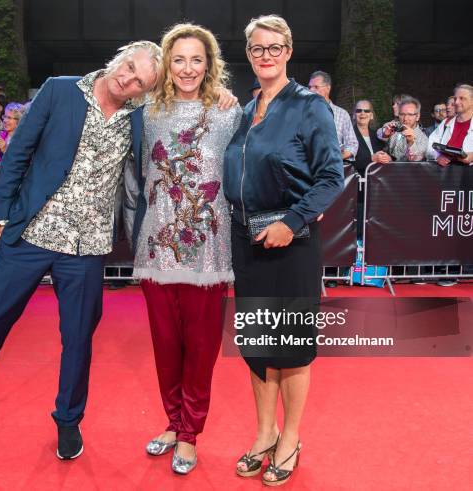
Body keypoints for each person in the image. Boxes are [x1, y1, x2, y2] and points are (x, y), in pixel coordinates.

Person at [0, 40, 161, 469]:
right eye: (129, 67)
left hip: (87, 247)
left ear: (144, 91)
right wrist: (1, 218)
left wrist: (218, 93)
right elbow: (18, 154)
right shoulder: (60, 89)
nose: (127, 79)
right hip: (31, 232)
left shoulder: (141, 118)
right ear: (119, 56)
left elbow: (188, 110)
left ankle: (68, 420)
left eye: (139, 81)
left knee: (77, 340)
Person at [223, 15, 343, 486]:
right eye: (257, 48)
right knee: (257, 347)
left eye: (274, 47)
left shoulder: (310, 106)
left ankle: (290, 438)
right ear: (249, 54)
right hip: (246, 242)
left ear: (289, 51)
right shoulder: (243, 112)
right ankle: (264, 433)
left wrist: (290, 223)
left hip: (291, 243)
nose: (265, 55)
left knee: (289, 348)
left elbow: (331, 177)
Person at [128, 23, 241, 475]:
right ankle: (173, 423)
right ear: (166, 66)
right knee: (165, 345)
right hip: (157, 250)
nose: (188, 68)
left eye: (197, 59)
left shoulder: (228, 113)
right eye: (179, 59)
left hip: (209, 254)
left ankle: (191, 432)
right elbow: (134, 179)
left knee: (200, 348)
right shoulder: (147, 113)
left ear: (209, 64)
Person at [308, 70, 358, 160]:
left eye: (316, 87)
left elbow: (352, 144)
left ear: (328, 88)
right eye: (310, 87)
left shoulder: (342, 114)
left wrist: (337, 158)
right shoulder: (303, 112)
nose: (311, 90)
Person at [427, 84, 473, 166]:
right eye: (455, 98)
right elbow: (429, 146)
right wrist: (438, 156)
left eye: (462, 98)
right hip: (447, 175)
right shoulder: (446, 122)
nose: (456, 102)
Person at [381, 97, 428, 161]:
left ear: (417, 117)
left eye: (410, 114)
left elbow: (415, 160)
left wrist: (411, 143)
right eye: (402, 114)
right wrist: (386, 136)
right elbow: (387, 152)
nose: (405, 118)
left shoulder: (423, 138)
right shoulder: (396, 131)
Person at [352, 99, 389, 174]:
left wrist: (388, 157)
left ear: (371, 116)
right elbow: (347, 163)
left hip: (377, 181)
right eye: (359, 110)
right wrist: (371, 158)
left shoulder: (377, 135)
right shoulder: (348, 135)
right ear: (354, 115)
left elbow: (386, 154)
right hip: (358, 182)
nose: (362, 113)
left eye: (366, 111)